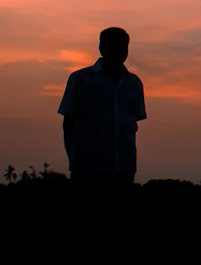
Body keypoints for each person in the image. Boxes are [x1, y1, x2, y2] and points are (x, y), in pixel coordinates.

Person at [58, 27, 147, 186]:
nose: (117, 51)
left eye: (122, 46)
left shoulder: (134, 83)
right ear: (101, 48)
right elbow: (68, 123)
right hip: (88, 168)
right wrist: (74, 159)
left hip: (125, 168)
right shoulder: (81, 79)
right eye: (112, 46)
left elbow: (131, 125)